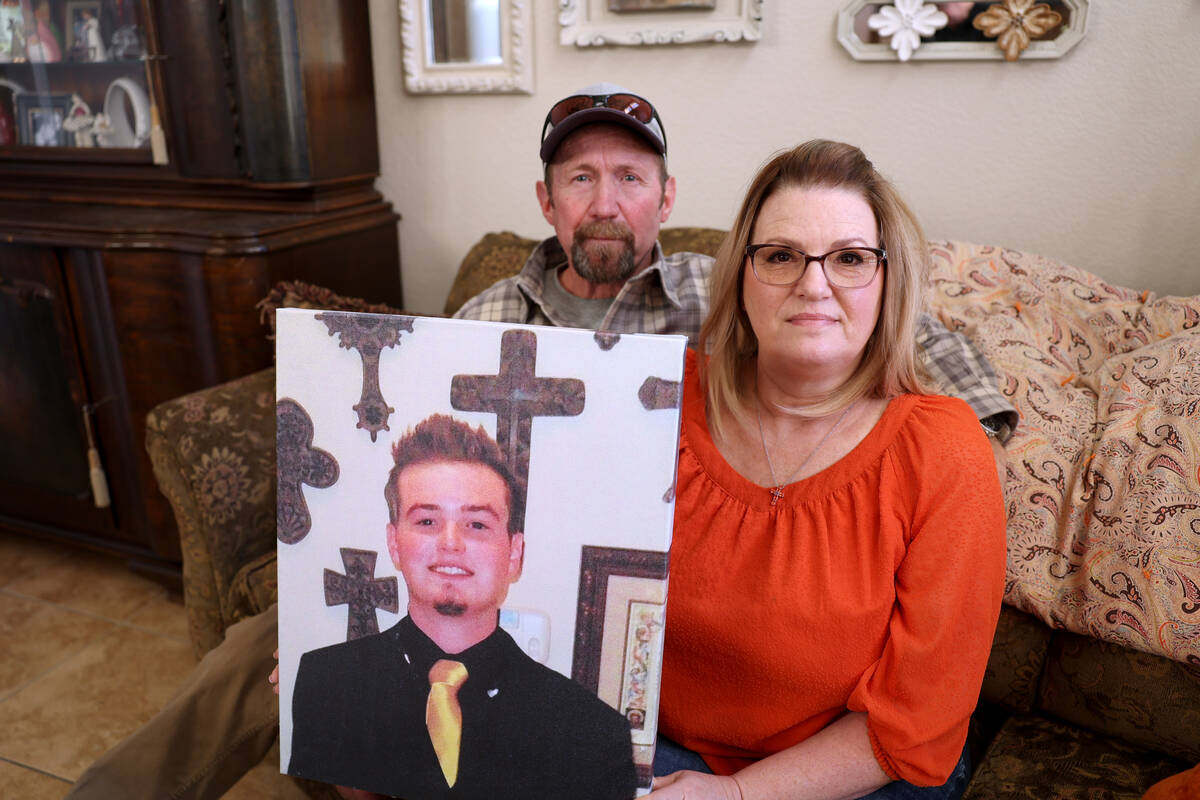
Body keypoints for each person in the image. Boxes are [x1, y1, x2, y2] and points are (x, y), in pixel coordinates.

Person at [67, 85, 1015, 800]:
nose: (606, 202)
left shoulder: (714, 300)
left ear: (666, 196)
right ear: (548, 198)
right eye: (581, 179)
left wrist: (957, 446)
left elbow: (882, 338)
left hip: (607, 616)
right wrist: (332, 629)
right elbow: (406, 459)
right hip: (509, 571)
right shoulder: (489, 316)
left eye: (630, 178)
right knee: (284, 660)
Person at [645, 140, 1006, 800]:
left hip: (859, 772)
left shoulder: (944, 451)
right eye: (780, 256)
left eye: (848, 258)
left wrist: (734, 796)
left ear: (887, 279)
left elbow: (915, 722)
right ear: (742, 277)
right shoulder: (657, 397)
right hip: (656, 745)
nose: (814, 285)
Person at [286, 414, 636, 798]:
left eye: (477, 525)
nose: (450, 542)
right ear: (393, 543)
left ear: (514, 554)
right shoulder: (323, 682)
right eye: (427, 520)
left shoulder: (591, 734)